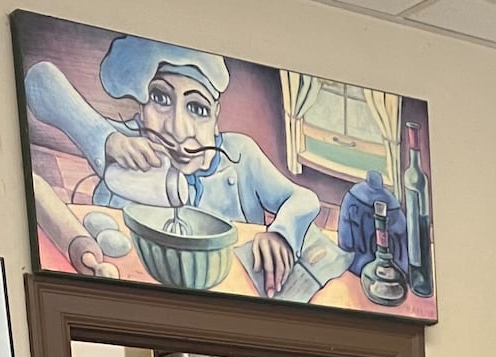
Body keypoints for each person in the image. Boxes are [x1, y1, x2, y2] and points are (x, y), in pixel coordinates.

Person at [25, 37, 327, 296]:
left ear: (216, 114)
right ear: (142, 106)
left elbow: (304, 198)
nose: (178, 129)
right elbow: (39, 81)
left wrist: (280, 233)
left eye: (197, 108)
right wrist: (105, 140)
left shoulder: (239, 154)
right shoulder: (129, 144)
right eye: (160, 98)